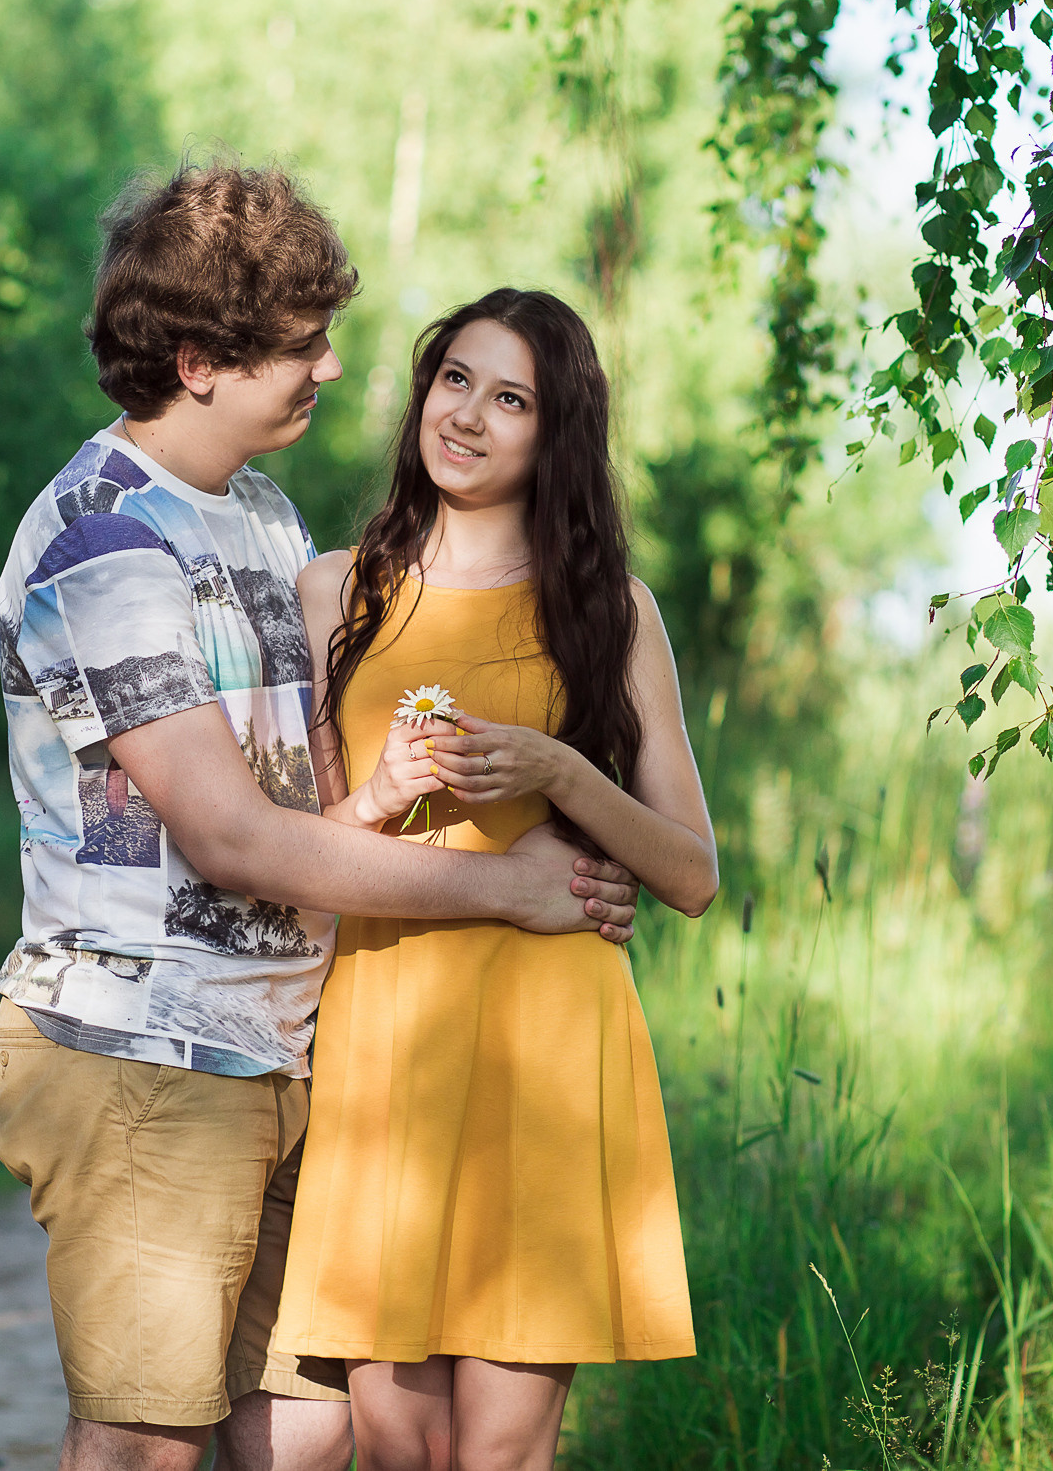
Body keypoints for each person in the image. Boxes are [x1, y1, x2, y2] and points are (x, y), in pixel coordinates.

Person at [0, 169, 646, 1471]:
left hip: (282, 1052)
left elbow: (285, 822)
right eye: (302, 345)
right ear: (200, 363)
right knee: (144, 1441)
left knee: (301, 1437)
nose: (333, 369)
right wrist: (510, 888)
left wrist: (383, 802)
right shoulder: (105, 541)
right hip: (147, 1050)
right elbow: (228, 840)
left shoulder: (258, 515)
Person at [271, 288, 716, 1471]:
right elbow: (306, 861)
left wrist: (560, 770)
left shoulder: (610, 611)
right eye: (454, 379)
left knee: (500, 1458)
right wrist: (378, 795)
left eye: (509, 398)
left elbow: (690, 873)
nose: (465, 415)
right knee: (397, 1447)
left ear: (554, 432)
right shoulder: (335, 591)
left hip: (549, 1047)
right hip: (385, 1043)